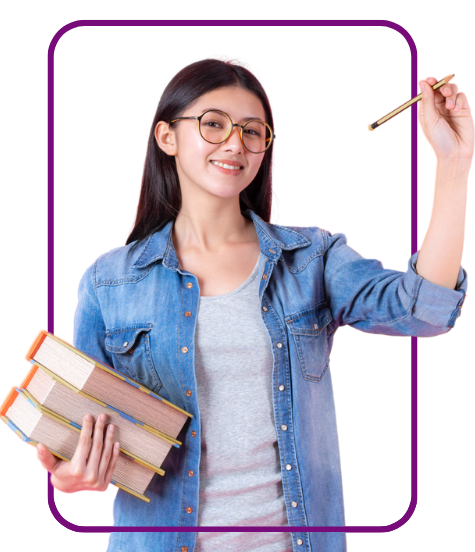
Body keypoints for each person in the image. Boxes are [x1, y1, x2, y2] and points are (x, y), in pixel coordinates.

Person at [35, 55, 472, 551]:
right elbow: (76, 429)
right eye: (213, 125)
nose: (234, 144)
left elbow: (424, 309)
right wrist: (72, 473)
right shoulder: (108, 282)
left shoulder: (311, 259)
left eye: (251, 130)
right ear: (167, 137)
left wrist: (453, 164)